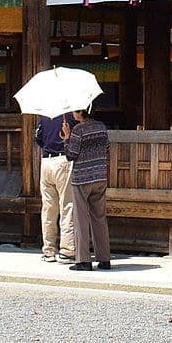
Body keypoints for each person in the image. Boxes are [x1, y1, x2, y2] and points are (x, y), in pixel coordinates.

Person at [63, 106, 111, 271]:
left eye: (75, 111)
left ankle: (83, 260)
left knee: (81, 219)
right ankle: (104, 259)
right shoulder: (102, 127)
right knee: (99, 217)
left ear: (81, 112)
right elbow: (107, 148)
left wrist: (66, 138)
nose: (72, 113)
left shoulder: (78, 130)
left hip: (82, 178)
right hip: (99, 176)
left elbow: (71, 155)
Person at [35, 110, 77, 265]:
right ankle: (67, 251)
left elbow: (38, 138)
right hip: (64, 160)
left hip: (46, 162)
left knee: (48, 209)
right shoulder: (71, 116)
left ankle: (48, 251)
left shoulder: (44, 116)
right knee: (67, 206)